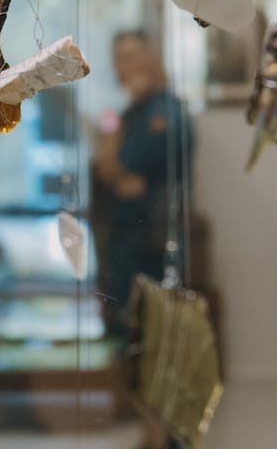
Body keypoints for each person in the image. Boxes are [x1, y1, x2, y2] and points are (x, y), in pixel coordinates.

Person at [92, 29, 192, 449]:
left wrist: (114, 162)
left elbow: (120, 169)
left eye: (134, 54)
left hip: (151, 246)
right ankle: (151, 434)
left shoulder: (164, 113)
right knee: (132, 341)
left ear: (152, 59)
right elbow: (107, 170)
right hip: (123, 245)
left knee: (155, 342)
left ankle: (161, 436)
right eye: (119, 56)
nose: (125, 65)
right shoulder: (130, 114)